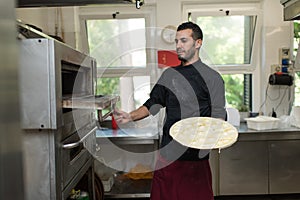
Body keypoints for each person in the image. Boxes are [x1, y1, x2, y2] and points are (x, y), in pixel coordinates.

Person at [114, 21, 226, 200]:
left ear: (198, 43)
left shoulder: (212, 78)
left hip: (195, 160)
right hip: (168, 156)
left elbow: (219, 115)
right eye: (176, 42)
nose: (178, 46)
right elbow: (153, 104)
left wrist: (217, 136)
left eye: (183, 41)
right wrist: (130, 116)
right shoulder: (169, 75)